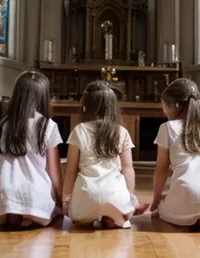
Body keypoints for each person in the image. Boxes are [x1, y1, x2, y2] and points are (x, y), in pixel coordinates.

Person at [63, 80, 147, 228]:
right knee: (121, 207)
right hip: (116, 199)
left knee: (78, 217)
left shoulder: (79, 130)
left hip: (86, 197)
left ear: (85, 106)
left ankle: (89, 216)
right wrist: (130, 196)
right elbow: (128, 169)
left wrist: (67, 197)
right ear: (113, 108)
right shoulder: (121, 131)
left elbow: (71, 169)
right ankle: (113, 217)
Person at [151, 78, 200, 229]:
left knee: (165, 207)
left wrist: (156, 201)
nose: (164, 112)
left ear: (175, 106)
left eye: (164, 107)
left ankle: (189, 212)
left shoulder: (168, 128)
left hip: (187, 194)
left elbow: (161, 170)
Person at [0, 71, 64, 229]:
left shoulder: (5, 124)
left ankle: (14, 213)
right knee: (54, 212)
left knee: (2, 215)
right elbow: (53, 172)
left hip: (2, 202)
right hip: (34, 197)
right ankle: (27, 217)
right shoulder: (47, 126)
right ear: (43, 97)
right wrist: (60, 202)